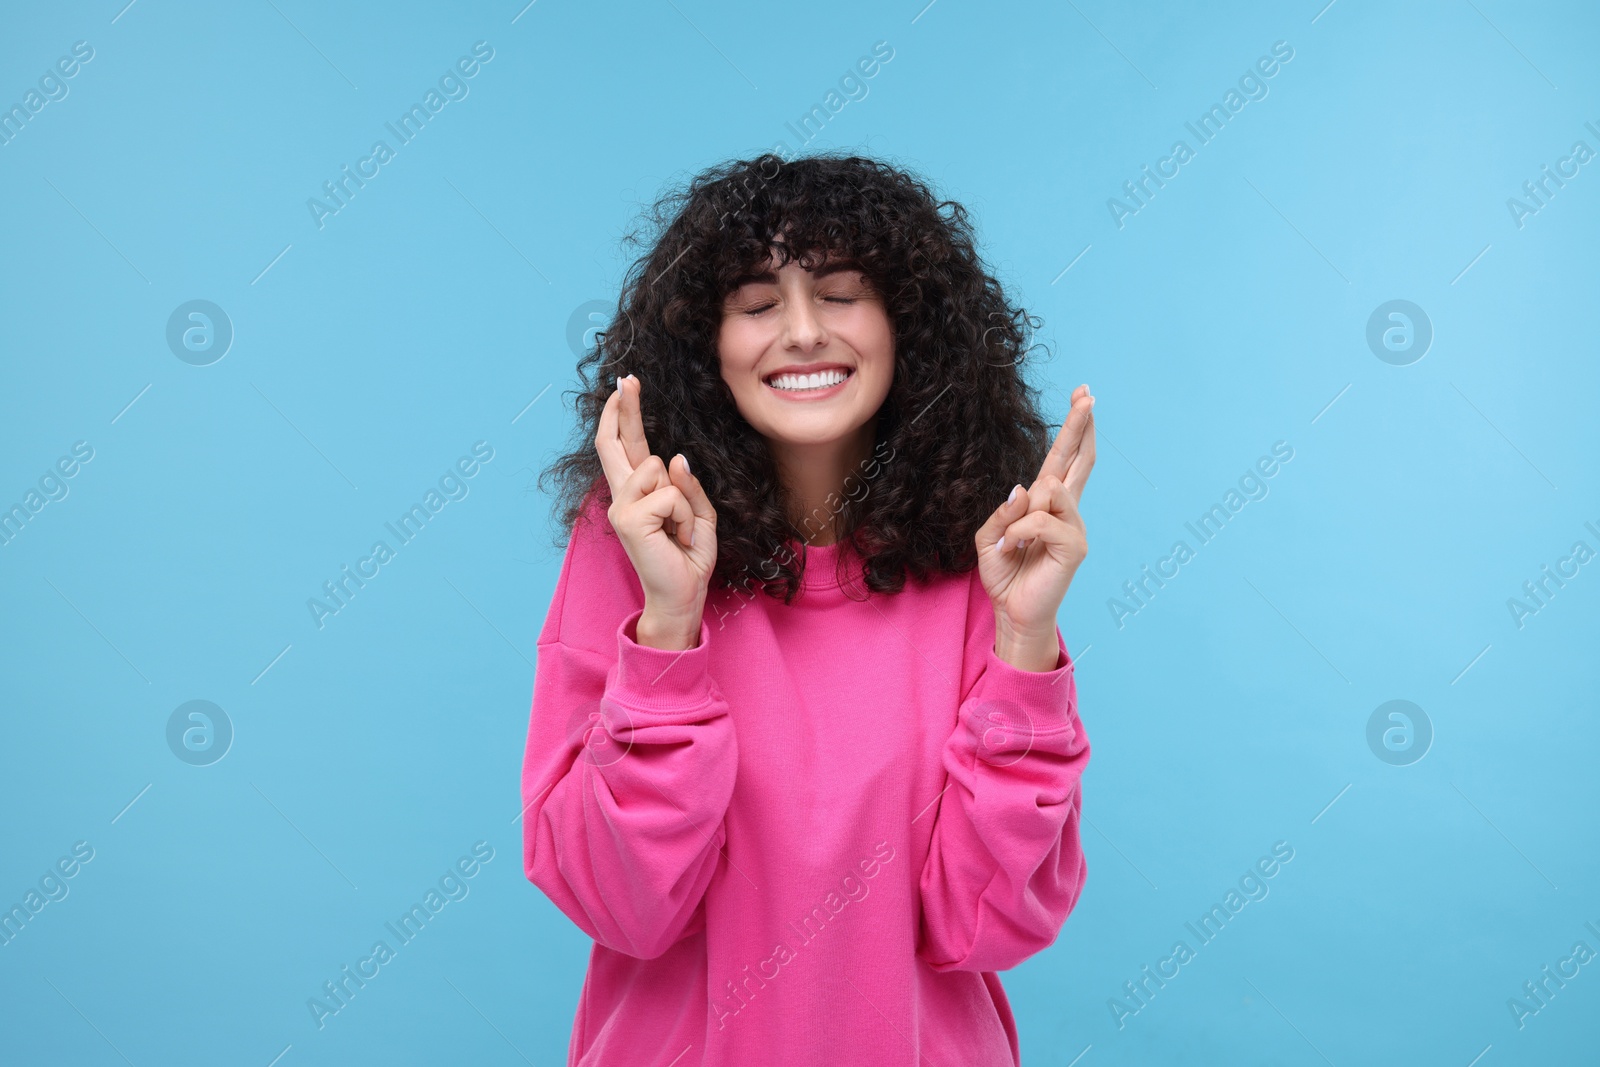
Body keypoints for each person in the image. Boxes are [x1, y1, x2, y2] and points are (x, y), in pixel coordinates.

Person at [522, 151, 1095, 1066]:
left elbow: (988, 926)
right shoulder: (632, 549)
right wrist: (670, 628)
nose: (799, 331)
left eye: (839, 293)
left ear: (906, 321)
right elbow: (620, 906)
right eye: (756, 304)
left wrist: (1025, 644)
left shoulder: (979, 565)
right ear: (705, 343)